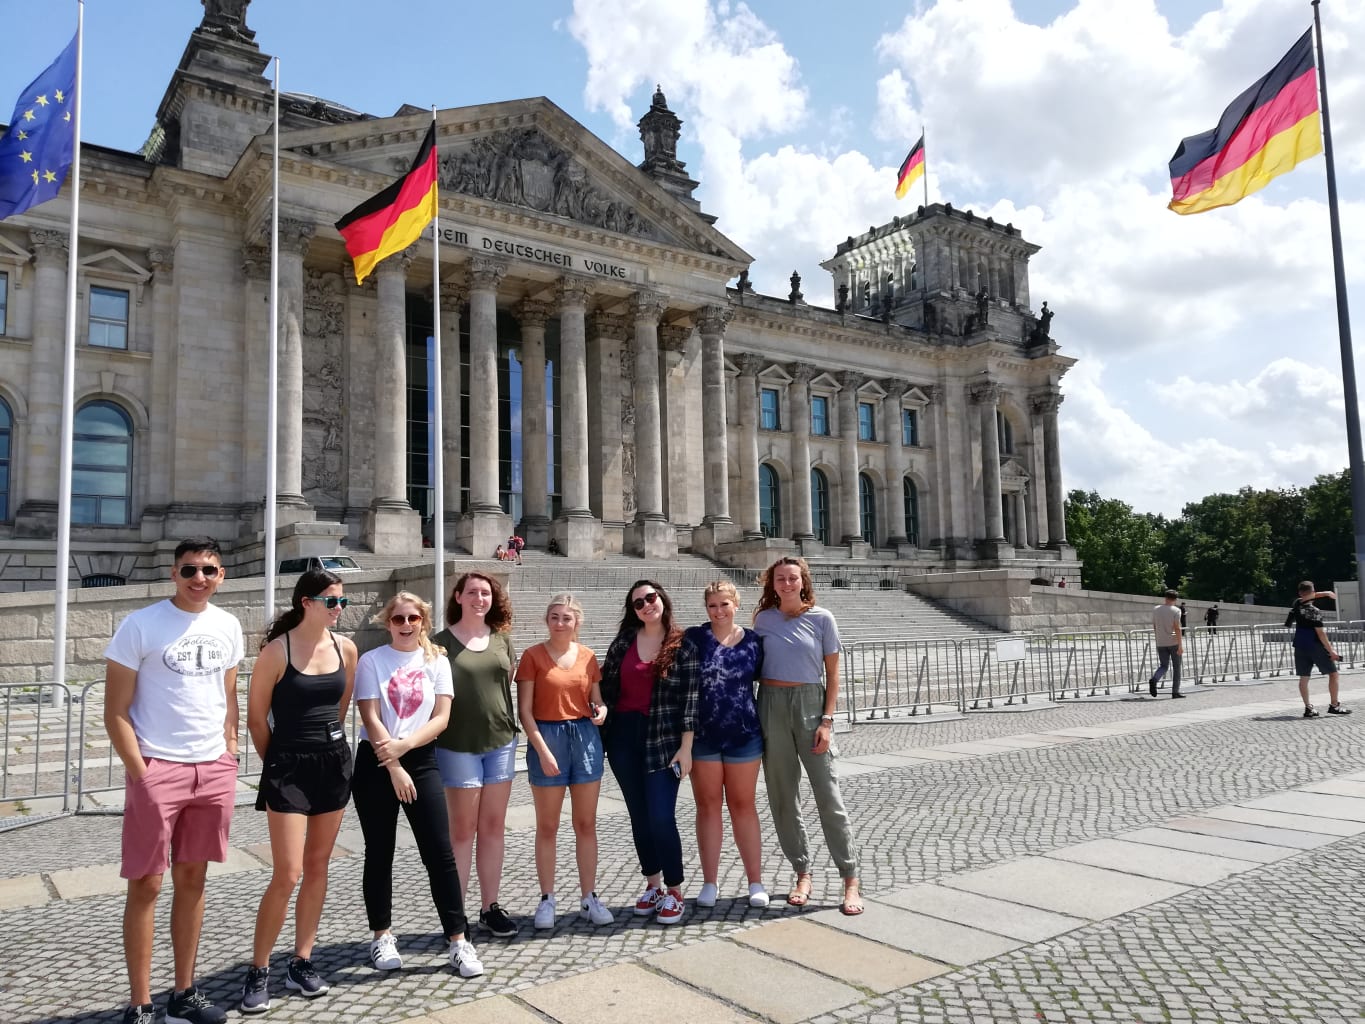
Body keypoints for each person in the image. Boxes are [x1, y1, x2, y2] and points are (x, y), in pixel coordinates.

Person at [104, 537, 244, 1024]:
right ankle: (140, 1004)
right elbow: (115, 711)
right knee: (146, 884)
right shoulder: (139, 624)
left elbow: (229, 695)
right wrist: (141, 774)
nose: (199, 578)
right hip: (157, 767)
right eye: (190, 570)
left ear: (221, 575)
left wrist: (229, 748)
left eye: (208, 570)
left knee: (193, 879)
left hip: (213, 769)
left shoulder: (228, 624)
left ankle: (184, 992)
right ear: (173, 573)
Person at [240, 569, 358, 1014]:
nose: (339, 609)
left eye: (342, 601)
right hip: (287, 765)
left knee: (318, 867)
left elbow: (340, 706)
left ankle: (302, 961)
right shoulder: (277, 651)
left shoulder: (346, 648)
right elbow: (256, 719)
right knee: (287, 872)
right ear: (306, 602)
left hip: (332, 763)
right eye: (331, 601)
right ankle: (259, 968)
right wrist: (278, 762)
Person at [351, 592, 483, 979]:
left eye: (412, 618)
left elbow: (441, 717)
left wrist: (406, 748)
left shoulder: (436, 660)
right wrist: (393, 764)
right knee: (379, 852)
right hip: (376, 761)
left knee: (439, 853)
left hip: (420, 758)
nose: (405, 625)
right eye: (398, 619)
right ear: (387, 622)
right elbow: (370, 716)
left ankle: (458, 940)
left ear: (423, 621)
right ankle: (382, 935)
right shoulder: (372, 661)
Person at [753, 557, 862, 916]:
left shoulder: (822, 618)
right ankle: (802, 872)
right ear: (772, 584)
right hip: (771, 704)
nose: (786, 584)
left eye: (792, 578)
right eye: (780, 579)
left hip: (811, 704)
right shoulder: (763, 619)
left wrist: (827, 721)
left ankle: (850, 877)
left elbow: (833, 676)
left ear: (803, 582)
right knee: (783, 797)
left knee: (828, 794)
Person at [514, 593, 614, 930]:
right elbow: (524, 711)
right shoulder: (532, 656)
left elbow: (596, 700)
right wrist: (542, 750)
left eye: (566, 618)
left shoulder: (588, 657)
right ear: (547, 620)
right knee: (548, 826)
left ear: (577, 622)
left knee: (586, 824)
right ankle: (547, 898)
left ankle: (589, 896)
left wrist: (601, 712)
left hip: (585, 738)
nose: (560, 622)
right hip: (547, 736)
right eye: (554, 616)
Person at [599, 580, 693, 925]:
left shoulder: (683, 643)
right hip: (623, 736)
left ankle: (675, 890)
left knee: (661, 816)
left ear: (663, 599)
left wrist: (687, 747)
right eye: (638, 603)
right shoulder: (624, 641)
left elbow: (690, 699)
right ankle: (652, 884)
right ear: (632, 610)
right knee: (639, 815)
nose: (646, 605)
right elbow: (605, 684)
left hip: (664, 739)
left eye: (651, 598)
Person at [432, 572, 519, 939]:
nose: (479, 598)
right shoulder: (439, 644)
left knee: (493, 827)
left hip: (500, 742)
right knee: (462, 831)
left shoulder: (502, 641)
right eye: (472, 592)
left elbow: (506, 684)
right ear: (458, 597)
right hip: (456, 744)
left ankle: (490, 907)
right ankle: (458, 916)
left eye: (485, 593)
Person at [682, 580, 768, 910]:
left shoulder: (754, 642)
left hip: (744, 733)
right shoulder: (694, 638)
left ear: (736, 605)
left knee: (743, 805)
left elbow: (765, 681)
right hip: (703, 736)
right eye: (712, 606)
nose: (718, 611)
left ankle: (755, 880)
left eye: (724, 605)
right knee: (707, 806)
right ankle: (709, 881)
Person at [1286, 582, 1351, 719]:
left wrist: (1326, 593)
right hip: (1315, 646)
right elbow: (1321, 634)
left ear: (1300, 593)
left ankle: (1308, 708)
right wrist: (1332, 651)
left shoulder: (1297, 603)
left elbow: (1308, 596)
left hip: (1299, 645)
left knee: (1304, 677)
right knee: (1333, 674)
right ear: (1312, 591)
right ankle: (1334, 705)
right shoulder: (1314, 611)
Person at [1148, 589, 1184, 699]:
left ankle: (1154, 679)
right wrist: (1180, 645)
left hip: (1161, 642)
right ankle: (1175, 692)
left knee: (1163, 666)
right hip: (1173, 641)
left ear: (1165, 597)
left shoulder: (1156, 609)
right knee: (1177, 667)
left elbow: (1155, 626)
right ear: (1175, 599)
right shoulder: (1176, 611)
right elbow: (1177, 628)